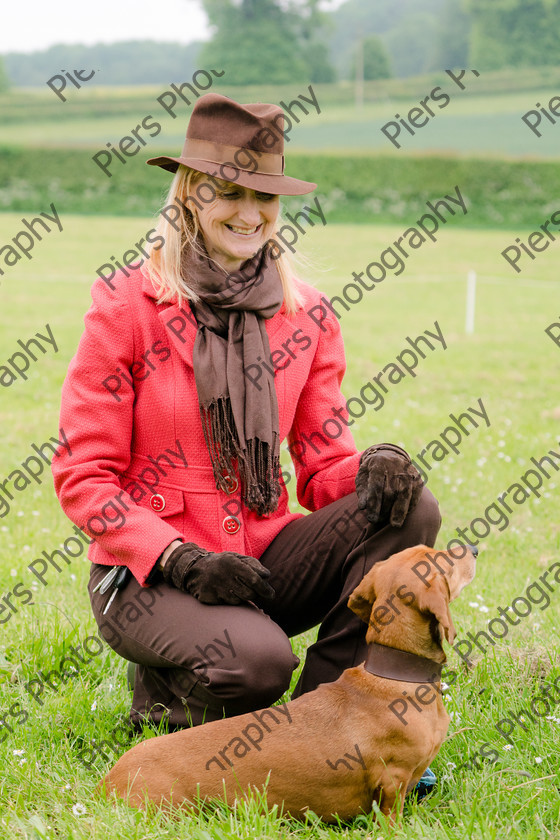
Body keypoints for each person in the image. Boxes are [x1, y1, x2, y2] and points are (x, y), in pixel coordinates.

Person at [52, 93, 441, 743]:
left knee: (412, 505)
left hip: (259, 559)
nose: (249, 213)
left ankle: (327, 711)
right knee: (255, 664)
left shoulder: (307, 314)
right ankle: (168, 692)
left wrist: (374, 465)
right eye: (228, 192)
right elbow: (82, 476)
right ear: (189, 196)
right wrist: (180, 560)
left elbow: (323, 468)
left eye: (265, 197)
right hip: (149, 574)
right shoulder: (126, 304)